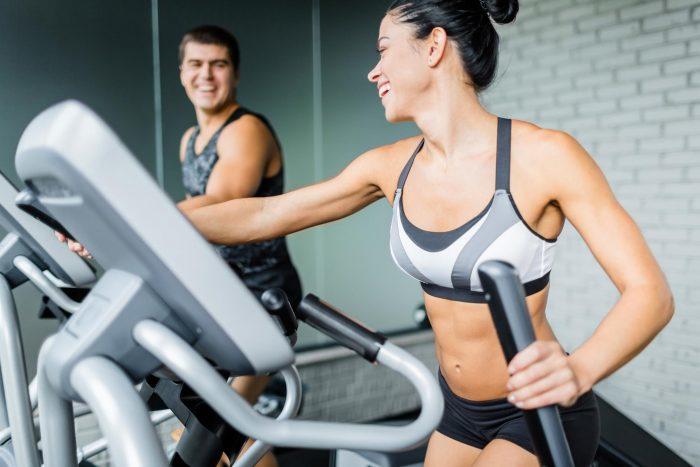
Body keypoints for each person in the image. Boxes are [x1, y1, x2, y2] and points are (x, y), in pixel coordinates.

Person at [69, 2, 674, 465]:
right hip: (458, 410)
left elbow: (649, 293)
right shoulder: (391, 166)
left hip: (539, 409)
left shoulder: (544, 156)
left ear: (434, 47)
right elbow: (260, 215)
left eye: (385, 50)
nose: (373, 70)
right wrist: (122, 227)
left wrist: (581, 368)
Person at [62, 24, 301, 467]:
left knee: (223, 428)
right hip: (218, 296)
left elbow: (218, 202)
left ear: (235, 74)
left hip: (261, 298)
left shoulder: (245, 130)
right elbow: (186, 219)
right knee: (214, 430)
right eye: (196, 64)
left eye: (218, 65)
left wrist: (113, 220)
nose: (206, 75)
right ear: (181, 73)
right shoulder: (190, 140)